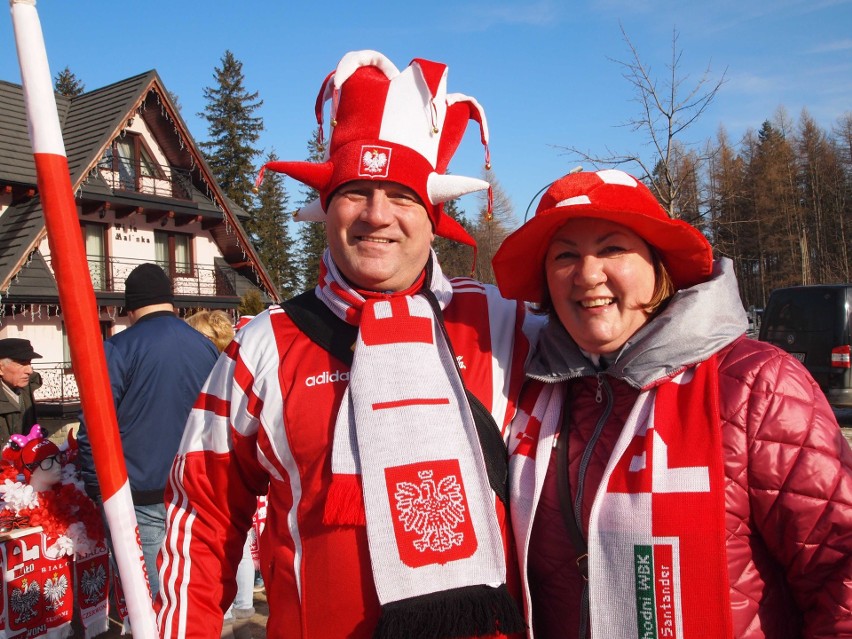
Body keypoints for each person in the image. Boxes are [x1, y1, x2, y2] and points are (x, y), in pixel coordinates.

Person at [157, 50, 538, 639]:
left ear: (433, 214)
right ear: (328, 208)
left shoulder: (502, 321)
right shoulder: (266, 345)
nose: (376, 215)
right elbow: (200, 515)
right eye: (356, 191)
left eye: (403, 196)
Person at [491, 169, 852, 639]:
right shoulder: (535, 393)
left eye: (612, 248)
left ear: (658, 265)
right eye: (565, 255)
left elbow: (839, 569)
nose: (587, 273)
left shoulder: (754, 383)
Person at [76, 263, 219, 600]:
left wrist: (96, 487)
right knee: (194, 593)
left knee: (152, 600)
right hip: (195, 488)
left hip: (139, 493)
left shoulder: (118, 348)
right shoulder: (205, 346)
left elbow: (93, 426)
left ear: (131, 307)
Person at [184, 309, 256, 622]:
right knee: (239, 537)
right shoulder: (239, 365)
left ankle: (227, 608)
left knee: (216, 539)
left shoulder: (211, 371)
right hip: (237, 464)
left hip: (217, 463)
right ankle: (242, 603)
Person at [0, 338, 43, 448]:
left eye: (29, 363)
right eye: (22, 363)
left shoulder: (24, 387)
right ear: (1, 368)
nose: (30, 370)